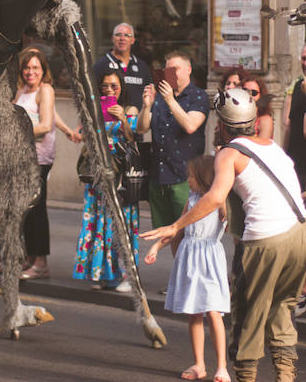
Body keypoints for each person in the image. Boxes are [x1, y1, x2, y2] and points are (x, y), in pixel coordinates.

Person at [144, 87, 306, 382]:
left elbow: (216, 197)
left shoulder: (228, 154)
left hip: (265, 238)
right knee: (283, 307)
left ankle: (246, 376)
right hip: (299, 232)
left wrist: (175, 226)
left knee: (248, 315)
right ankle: (285, 376)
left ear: (220, 125)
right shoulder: (272, 146)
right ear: (254, 122)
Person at [144, 155, 230, 382]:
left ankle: (222, 367)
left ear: (204, 177)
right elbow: (176, 229)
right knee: (195, 314)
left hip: (209, 259)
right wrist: (155, 247)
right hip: (190, 258)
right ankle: (199, 364)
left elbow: (229, 219)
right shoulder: (191, 200)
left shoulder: (219, 200)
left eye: (191, 176)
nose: (187, 179)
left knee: (213, 312)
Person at [73, 70, 140, 292]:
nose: (109, 90)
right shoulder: (96, 109)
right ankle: (104, 274)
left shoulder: (130, 109)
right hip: (98, 173)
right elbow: (84, 137)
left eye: (114, 86)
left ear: (122, 87)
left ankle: (128, 276)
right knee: (100, 223)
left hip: (120, 175)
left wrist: (122, 119)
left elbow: (133, 139)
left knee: (120, 224)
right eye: (104, 86)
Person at [137, 51, 210, 231]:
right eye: (167, 70)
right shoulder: (160, 96)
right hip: (159, 177)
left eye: (175, 69)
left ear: (188, 70)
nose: (171, 74)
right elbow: (141, 128)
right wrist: (146, 107)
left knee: (188, 235)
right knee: (167, 236)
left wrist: (170, 100)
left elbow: (191, 125)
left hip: (185, 179)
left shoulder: (198, 96)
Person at [15, 47, 56, 280]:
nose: (31, 72)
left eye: (35, 68)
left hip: (39, 157)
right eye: (27, 67)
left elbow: (46, 123)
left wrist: (16, 132)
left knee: (37, 209)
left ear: (43, 71)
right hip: (22, 156)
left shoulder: (46, 90)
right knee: (26, 209)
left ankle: (41, 262)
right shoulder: (21, 91)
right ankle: (30, 257)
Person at [93, 23, 148, 111]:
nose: (122, 38)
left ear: (133, 40)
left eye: (126, 35)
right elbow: (92, 95)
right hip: (111, 121)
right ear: (112, 39)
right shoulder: (101, 65)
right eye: (118, 35)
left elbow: (150, 92)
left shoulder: (142, 66)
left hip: (138, 121)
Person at [241, 74, 272, 139]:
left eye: (254, 92)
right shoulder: (234, 116)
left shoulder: (265, 120)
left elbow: (261, 146)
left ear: (261, 96)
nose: (249, 95)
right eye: (245, 91)